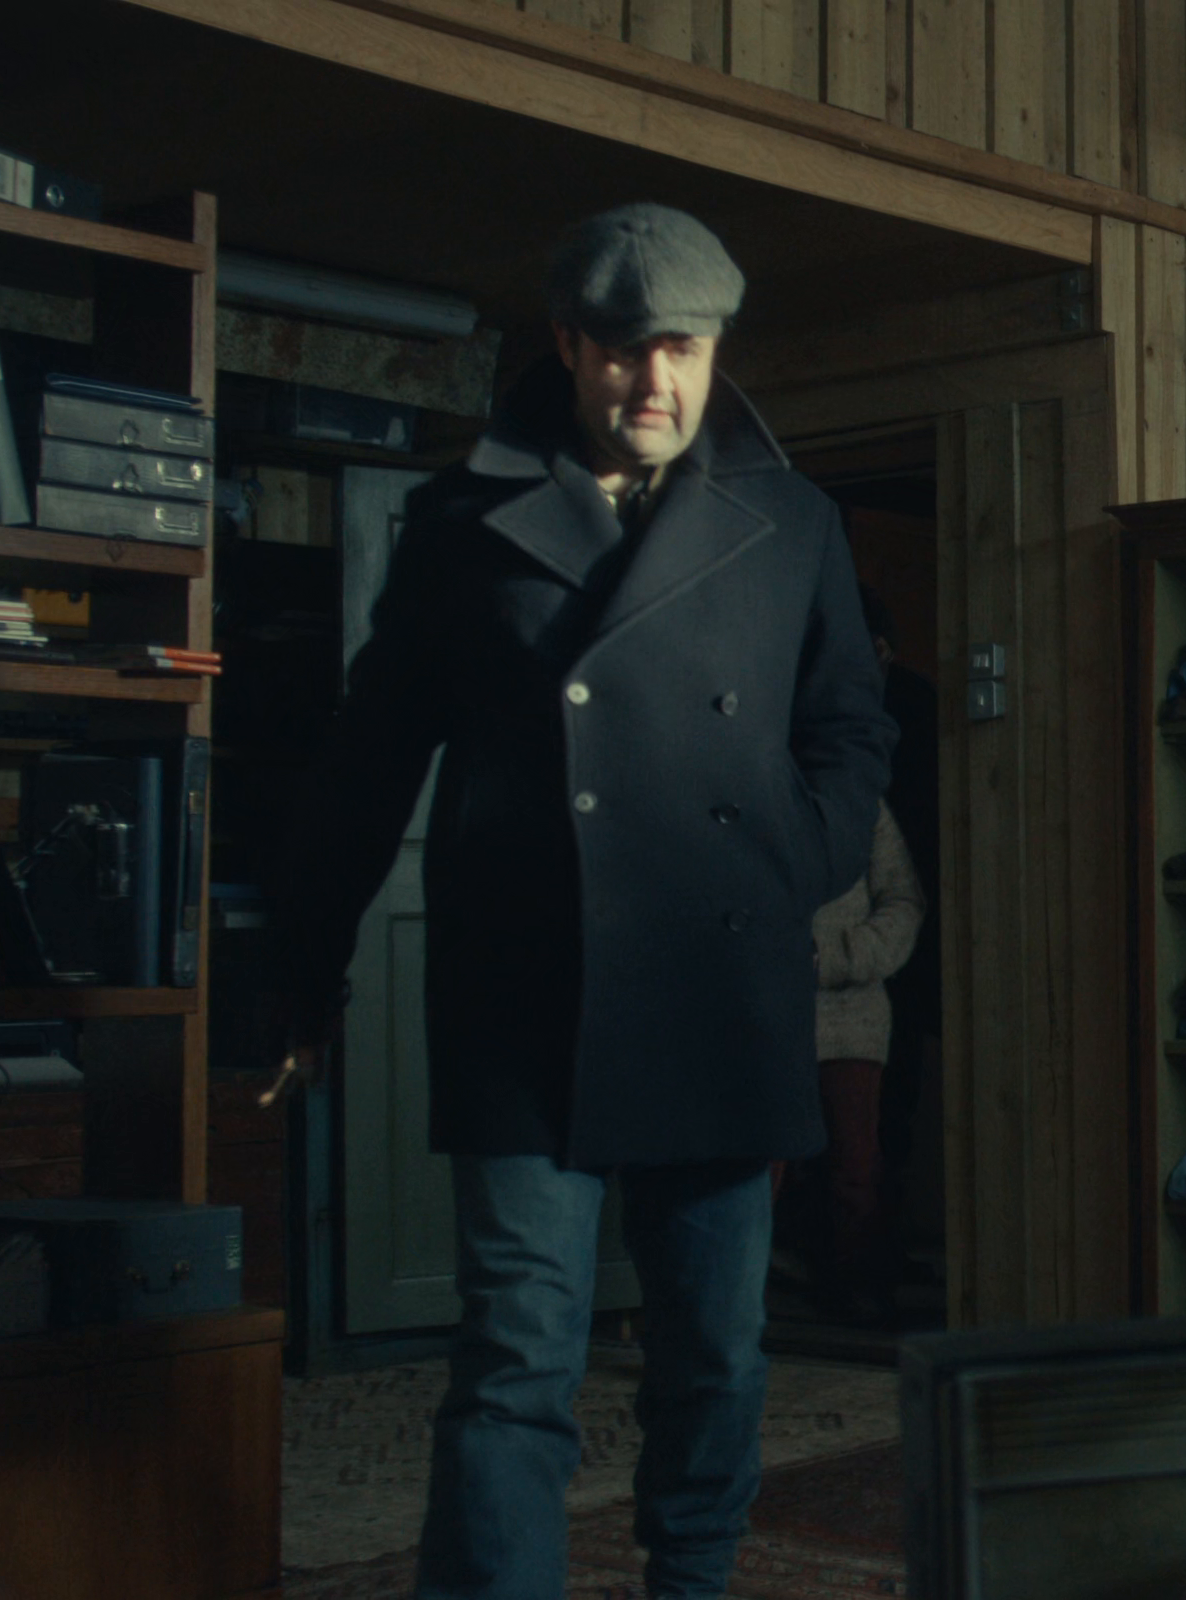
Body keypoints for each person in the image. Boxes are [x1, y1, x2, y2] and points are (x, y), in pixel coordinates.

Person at [258, 202, 896, 1600]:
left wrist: (786, 860)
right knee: (515, 1355)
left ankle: (693, 1581)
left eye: (684, 349)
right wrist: (304, 968)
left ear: (716, 349)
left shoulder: (793, 522)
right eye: (622, 349)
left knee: (714, 1349)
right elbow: (368, 759)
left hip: (720, 984)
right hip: (524, 995)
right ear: (566, 343)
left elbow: (851, 731)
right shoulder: (460, 521)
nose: (654, 382)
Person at [806, 808, 920, 1320]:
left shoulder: (862, 806)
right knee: (754, 1172)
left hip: (850, 1017)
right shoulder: (750, 787)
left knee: (856, 1169)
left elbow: (903, 901)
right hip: (761, 1014)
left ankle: (857, 1291)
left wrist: (832, 957)